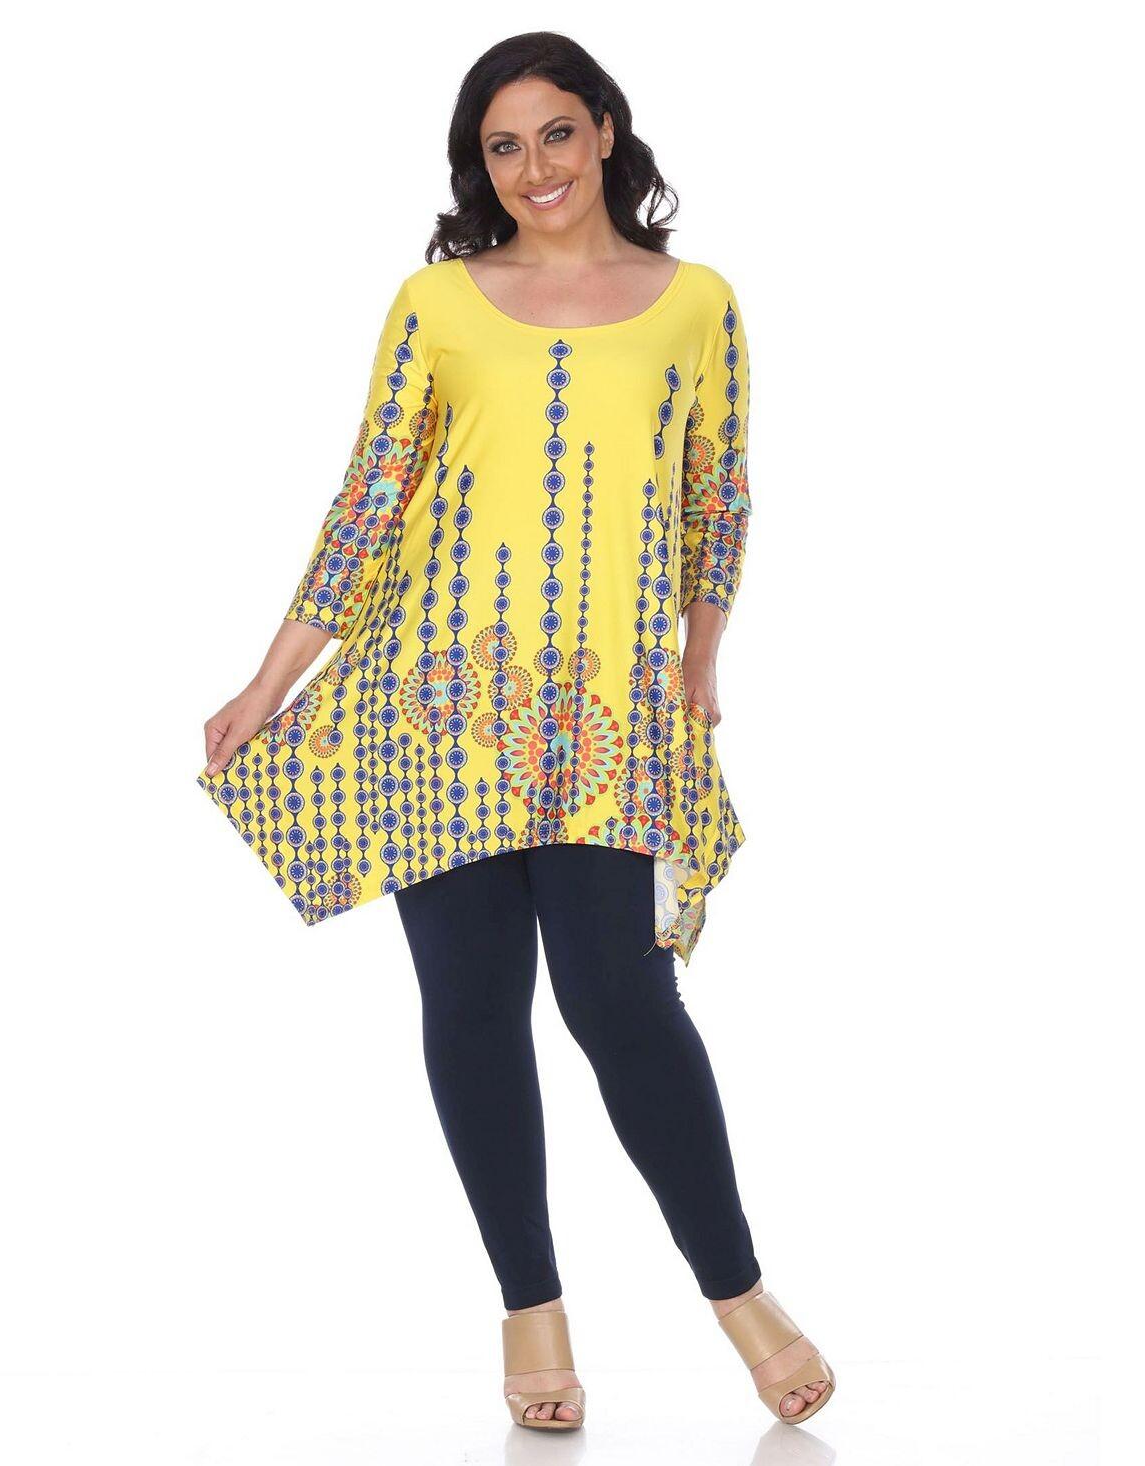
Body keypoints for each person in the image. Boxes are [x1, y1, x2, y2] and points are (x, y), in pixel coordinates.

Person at [197, 30, 835, 1433]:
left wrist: (702, 654)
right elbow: (373, 497)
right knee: (473, 1007)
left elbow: (718, 493)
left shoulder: (697, 302)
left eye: (555, 133)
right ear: (478, 166)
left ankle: (737, 1290)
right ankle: (529, 1307)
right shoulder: (436, 299)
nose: (534, 167)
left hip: (607, 712)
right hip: (437, 699)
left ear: (605, 130)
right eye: (503, 146)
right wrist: (268, 679)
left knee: (621, 999)